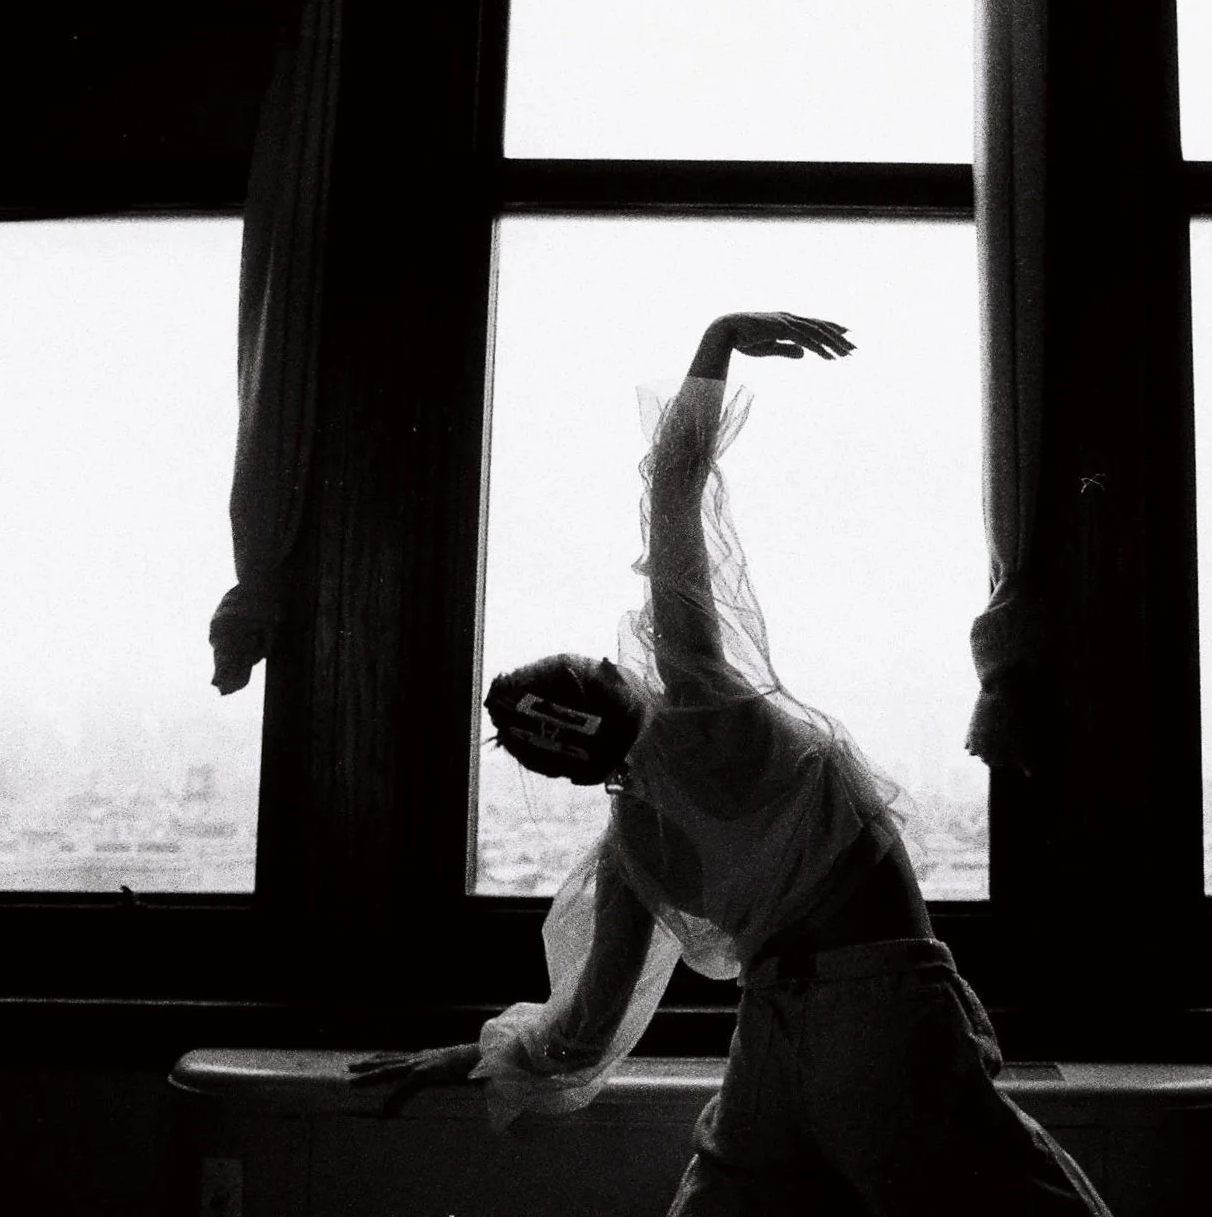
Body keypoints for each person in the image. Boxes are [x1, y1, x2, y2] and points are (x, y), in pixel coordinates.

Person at [351, 312, 1110, 1215]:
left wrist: (477, 1057)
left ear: (564, 769)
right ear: (609, 681)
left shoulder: (632, 840)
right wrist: (715, 341)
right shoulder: (705, 707)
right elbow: (672, 494)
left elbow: (590, 1021)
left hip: (773, 1031)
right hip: (879, 1013)